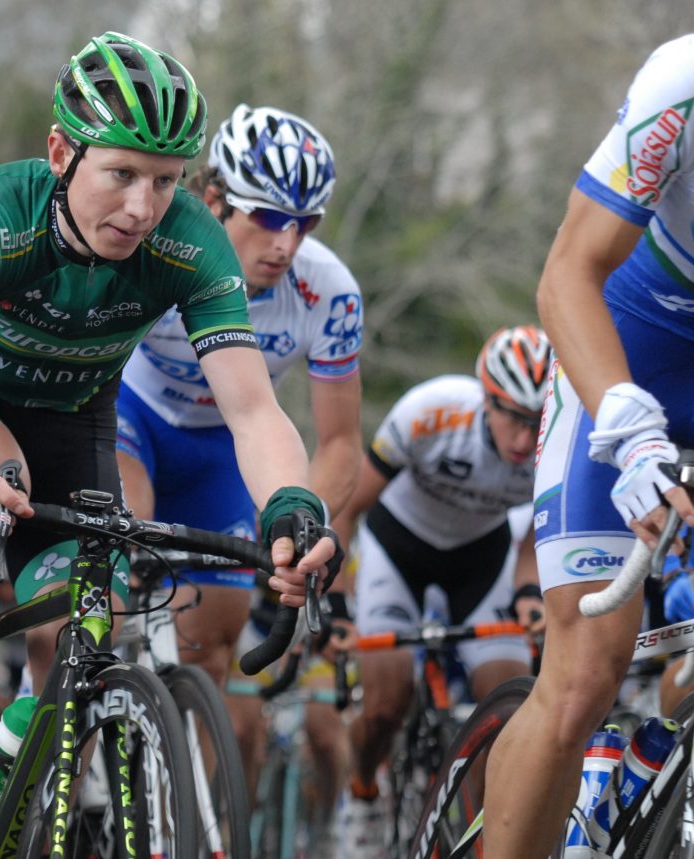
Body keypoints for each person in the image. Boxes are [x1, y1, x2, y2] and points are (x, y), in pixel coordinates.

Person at [0, 30, 338, 847]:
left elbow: (254, 411)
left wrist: (293, 507)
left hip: (77, 413)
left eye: (164, 181)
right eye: (120, 174)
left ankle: (17, 738)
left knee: (98, 604)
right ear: (61, 150)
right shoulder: (0, 212)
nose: (141, 208)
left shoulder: (191, 241)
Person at [115, 102, 363, 817]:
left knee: (210, 655)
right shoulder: (153, 243)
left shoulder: (329, 291)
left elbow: (340, 442)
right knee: (126, 538)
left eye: (305, 221)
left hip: (222, 447)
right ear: (214, 196)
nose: (286, 241)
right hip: (132, 419)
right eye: (268, 215)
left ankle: (202, 827)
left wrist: (304, 524)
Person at [483, 35, 694, 858]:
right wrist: (631, 434)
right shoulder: (681, 85)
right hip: (627, 351)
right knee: (579, 684)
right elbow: (566, 274)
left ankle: (643, 763)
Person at [327, 324, 549, 853]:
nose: (523, 439)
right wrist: (338, 601)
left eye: (535, 423)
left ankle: (486, 839)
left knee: (509, 708)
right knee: (384, 705)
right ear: (486, 397)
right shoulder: (431, 412)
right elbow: (351, 507)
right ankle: (361, 792)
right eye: (514, 418)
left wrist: (529, 594)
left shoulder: (550, 443)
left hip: (480, 559)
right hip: (396, 549)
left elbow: (534, 538)